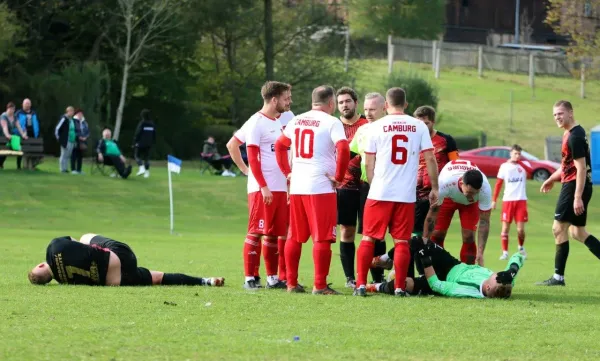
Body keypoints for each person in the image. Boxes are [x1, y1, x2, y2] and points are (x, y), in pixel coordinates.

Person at [353, 87, 439, 297]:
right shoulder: (418, 126)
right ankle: (400, 287)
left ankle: (361, 285)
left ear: (385, 106)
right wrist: (435, 187)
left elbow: (369, 161)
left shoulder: (375, 126)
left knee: (368, 239)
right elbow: (430, 158)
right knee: (401, 241)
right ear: (406, 104)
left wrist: (374, 184)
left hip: (380, 192)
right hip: (405, 195)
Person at [274, 85, 350, 295]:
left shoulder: (296, 119)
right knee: (323, 237)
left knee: (295, 236)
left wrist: (287, 172)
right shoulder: (332, 121)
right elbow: (343, 148)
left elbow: (280, 146)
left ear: (312, 102)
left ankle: (291, 283)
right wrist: (340, 177)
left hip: (298, 186)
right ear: (331, 103)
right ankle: (320, 284)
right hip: (321, 186)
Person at [371, 105, 459, 277]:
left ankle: (395, 262)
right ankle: (408, 272)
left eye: (426, 123)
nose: (422, 127)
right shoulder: (411, 137)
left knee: (434, 236)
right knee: (413, 236)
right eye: (419, 123)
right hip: (412, 194)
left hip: (437, 195)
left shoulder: (446, 140)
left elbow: (455, 165)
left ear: (433, 122)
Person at [226, 81, 292, 290]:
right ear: (274, 100)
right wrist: (258, 181)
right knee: (256, 231)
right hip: (263, 188)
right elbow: (251, 156)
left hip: (282, 187)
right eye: (286, 98)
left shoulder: (285, 119)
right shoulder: (256, 122)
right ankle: (249, 278)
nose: (289, 102)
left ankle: (272, 277)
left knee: (273, 233)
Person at [536, 100, 600, 286]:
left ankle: (558, 278)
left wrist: (577, 196)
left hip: (574, 187)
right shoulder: (571, 133)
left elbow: (580, 169)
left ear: (570, 113)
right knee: (577, 232)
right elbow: (567, 166)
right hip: (575, 184)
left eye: (560, 114)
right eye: (555, 114)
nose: (557, 117)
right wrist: (551, 178)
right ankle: (558, 277)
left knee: (558, 229)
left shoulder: (575, 137)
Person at [28, 234, 224, 287]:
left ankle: (204, 281)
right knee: (85, 236)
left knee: (158, 278)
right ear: (41, 265)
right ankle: (204, 280)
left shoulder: (63, 281)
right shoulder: (54, 247)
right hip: (121, 256)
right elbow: (74, 242)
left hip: (119, 280)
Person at [367, 238, 524, 299]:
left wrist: (426, 259)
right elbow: (517, 257)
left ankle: (374, 286)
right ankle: (386, 259)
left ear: (488, 286)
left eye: (495, 275)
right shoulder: (506, 281)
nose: (496, 272)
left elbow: (436, 285)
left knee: (403, 284)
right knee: (418, 241)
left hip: (439, 278)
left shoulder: (467, 291)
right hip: (453, 265)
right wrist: (514, 269)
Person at [422, 160, 492, 266]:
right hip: (448, 197)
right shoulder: (444, 183)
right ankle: (439, 267)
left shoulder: (485, 189)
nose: (472, 196)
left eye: (475, 193)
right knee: (438, 234)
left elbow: (484, 221)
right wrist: (425, 243)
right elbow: (431, 216)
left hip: (470, 205)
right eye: (470, 192)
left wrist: (481, 253)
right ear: (461, 183)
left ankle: (467, 272)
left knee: (469, 236)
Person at [349, 92, 387, 283]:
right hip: (366, 187)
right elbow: (352, 155)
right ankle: (368, 278)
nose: (368, 113)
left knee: (384, 235)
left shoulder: (389, 129)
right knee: (368, 233)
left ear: (384, 108)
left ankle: (381, 277)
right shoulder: (362, 130)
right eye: (365, 109)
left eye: (372, 109)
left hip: (388, 186)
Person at [335, 87, 369, 288]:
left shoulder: (368, 124)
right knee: (346, 231)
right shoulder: (333, 125)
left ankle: (376, 277)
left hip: (367, 185)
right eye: (340, 102)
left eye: (348, 101)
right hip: (344, 186)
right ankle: (350, 278)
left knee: (371, 232)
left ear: (356, 103)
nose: (344, 105)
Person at [491, 144, 532, 260]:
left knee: (520, 230)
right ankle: (505, 252)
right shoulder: (504, 167)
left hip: (521, 200)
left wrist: (520, 162)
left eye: (519, 154)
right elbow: (498, 184)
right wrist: (494, 200)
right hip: (508, 200)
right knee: (505, 228)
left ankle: (521, 247)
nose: (517, 156)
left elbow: (531, 171)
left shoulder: (523, 166)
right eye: (515, 153)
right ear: (510, 154)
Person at [0, 101, 27, 169]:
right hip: (2, 136)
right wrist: (7, 135)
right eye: (11, 109)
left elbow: (19, 127)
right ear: (7, 108)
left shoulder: (14, 117)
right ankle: (0, 164)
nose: (12, 111)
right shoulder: (3, 116)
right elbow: (4, 127)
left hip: (10, 137)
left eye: (13, 109)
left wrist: (23, 134)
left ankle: (18, 166)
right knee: (4, 152)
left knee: (19, 148)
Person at [133, 108, 156, 178]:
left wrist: (135, 141)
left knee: (136, 156)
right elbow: (154, 134)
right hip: (149, 144)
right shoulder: (152, 124)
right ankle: (147, 173)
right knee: (146, 158)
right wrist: (153, 142)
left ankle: (141, 167)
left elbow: (138, 133)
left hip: (141, 143)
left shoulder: (142, 123)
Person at [54, 106, 76, 173]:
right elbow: (57, 128)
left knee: (68, 155)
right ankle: (62, 169)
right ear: (68, 111)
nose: (72, 113)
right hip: (65, 140)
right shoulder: (64, 118)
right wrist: (59, 138)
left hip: (71, 139)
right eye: (71, 111)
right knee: (63, 154)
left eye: (73, 112)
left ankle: (65, 168)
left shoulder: (72, 120)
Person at [71, 109, 90, 174]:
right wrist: (79, 136)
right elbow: (73, 130)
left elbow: (87, 131)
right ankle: (73, 169)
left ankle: (79, 169)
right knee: (74, 154)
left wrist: (85, 137)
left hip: (83, 141)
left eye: (81, 114)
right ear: (76, 114)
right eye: (79, 114)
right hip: (75, 140)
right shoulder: (73, 121)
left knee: (80, 155)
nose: (80, 115)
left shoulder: (84, 122)